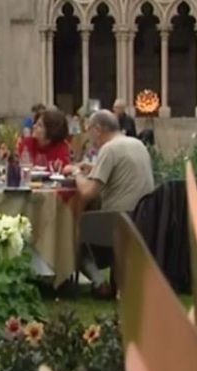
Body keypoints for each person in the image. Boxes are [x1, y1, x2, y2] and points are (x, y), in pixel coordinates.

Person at [64, 110, 154, 297]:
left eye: (89, 131)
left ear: (97, 130)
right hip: (143, 218)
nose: (89, 138)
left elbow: (88, 192)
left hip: (117, 221)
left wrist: (75, 172)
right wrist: (92, 169)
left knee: (69, 230)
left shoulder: (110, 149)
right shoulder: (136, 143)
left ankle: (98, 282)